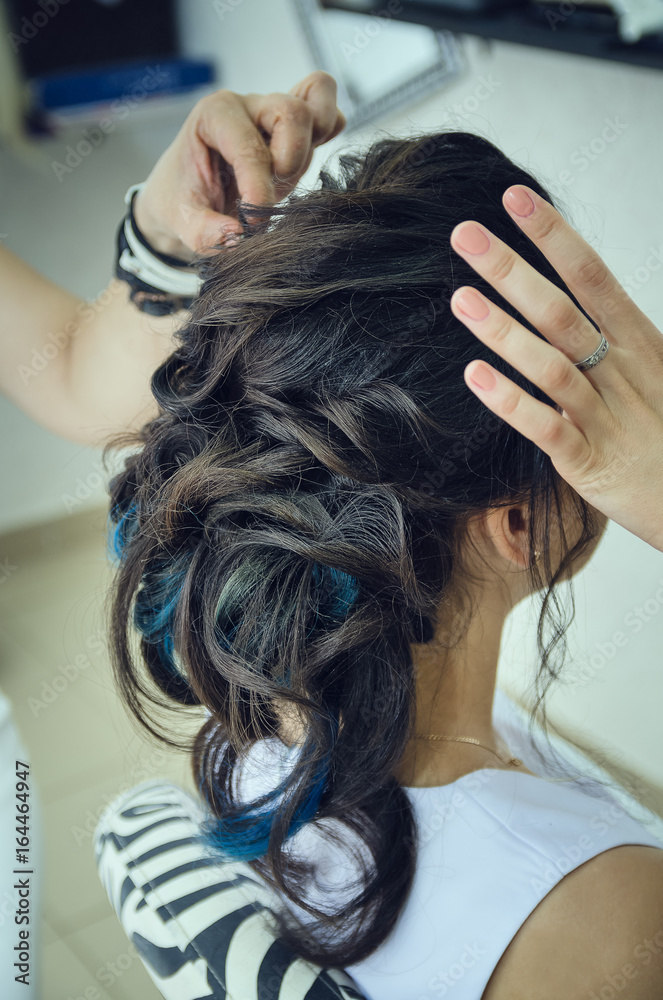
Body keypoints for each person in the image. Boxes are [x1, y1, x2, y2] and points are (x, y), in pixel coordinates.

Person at [2, 70, 663, 998]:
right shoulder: (610, 916)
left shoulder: (255, 738)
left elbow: (72, 370)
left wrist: (155, 243)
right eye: (602, 380)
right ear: (517, 523)